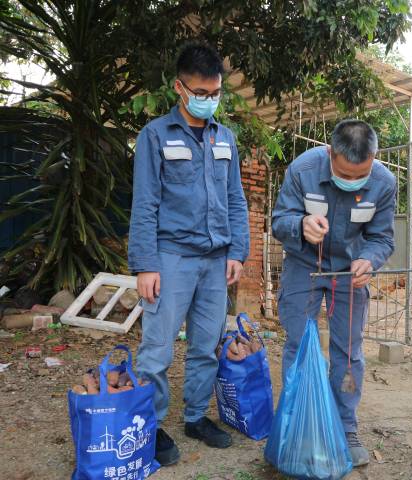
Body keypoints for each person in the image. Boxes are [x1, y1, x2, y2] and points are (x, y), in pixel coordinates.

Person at [128, 43, 249, 466]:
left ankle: (196, 416)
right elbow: (144, 202)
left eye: (215, 92)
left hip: (215, 261)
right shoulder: (156, 135)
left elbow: (236, 198)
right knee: (157, 349)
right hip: (171, 258)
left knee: (205, 345)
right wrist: (145, 264)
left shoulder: (225, 137)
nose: (209, 98)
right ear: (180, 88)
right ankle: (150, 424)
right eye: (201, 90)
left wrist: (238, 250)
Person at [271, 120, 396, 466]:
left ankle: (345, 426)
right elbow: (279, 219)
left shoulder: (385, 182)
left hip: (350, 275)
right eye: (345, 173)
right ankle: (297, 423)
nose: (352, 181)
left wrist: (369, 260)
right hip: (303, 267)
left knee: (349, 351)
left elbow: (382, 238)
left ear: (374, 157)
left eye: (361, 175)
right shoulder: (304, 169)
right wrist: (300, 225)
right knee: (299, 345)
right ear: (330, 154)